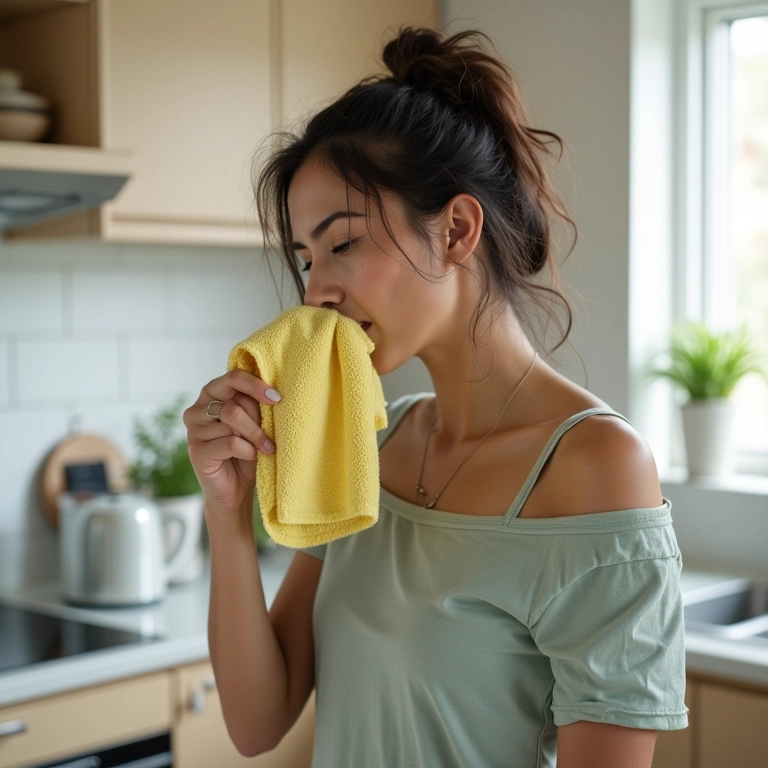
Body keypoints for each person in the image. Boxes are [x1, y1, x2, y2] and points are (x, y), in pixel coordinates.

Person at [184, 26, 688, 768]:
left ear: (455, 229)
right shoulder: (371, 443)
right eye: (306, 256)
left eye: (343, 243)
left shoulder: (594, 465)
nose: (316, 290)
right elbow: (257, 724)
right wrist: (226, 510)